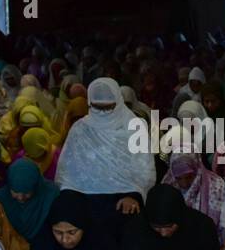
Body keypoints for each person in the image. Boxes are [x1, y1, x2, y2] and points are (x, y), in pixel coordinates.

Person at [55, 77, 156, 230]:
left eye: (108, 108)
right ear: (89, 103)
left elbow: (145, 169)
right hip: (85, 197)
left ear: (119, 102)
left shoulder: (135, 128)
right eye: (97, 107)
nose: (103, 113)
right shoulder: (81, 129)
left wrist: (135, 194)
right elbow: (67, 174)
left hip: (124, 198)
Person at [0, 157, 59, 243]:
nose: (21, 197)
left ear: (36, 186)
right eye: (15, 191)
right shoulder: (0, 199)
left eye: (26, 192)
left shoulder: (50, 195)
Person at [162, 151, 225, 229]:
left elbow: (217, 223)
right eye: (178, 178)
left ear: (197, 169)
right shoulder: (168, 184)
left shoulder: (216, 185)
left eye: (189, 177)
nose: (184, 184)